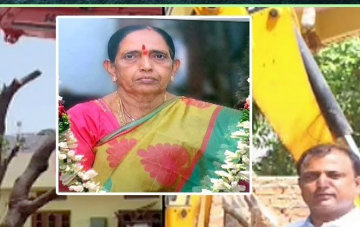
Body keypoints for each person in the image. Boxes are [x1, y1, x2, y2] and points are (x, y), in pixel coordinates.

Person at [64, 24, 247, 193]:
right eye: (131, 56)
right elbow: (75, 187)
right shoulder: (82, 119)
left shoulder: (225, 123)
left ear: (174, 68)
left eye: (158, 56)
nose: (146, 66)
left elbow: (241, 180)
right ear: (111, 68)